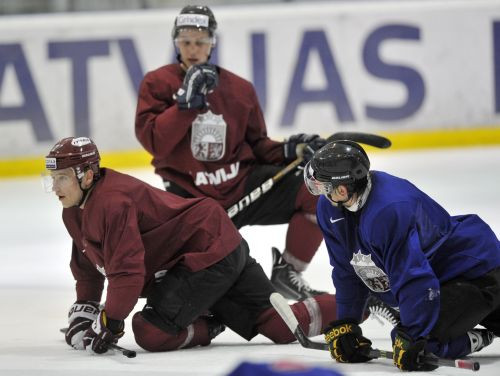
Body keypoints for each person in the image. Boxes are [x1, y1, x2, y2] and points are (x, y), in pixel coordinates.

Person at [44, 136, 338, 355]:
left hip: (207, 255)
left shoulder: (112, 203)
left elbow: (128, 273)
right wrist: (86, 309)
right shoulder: (73, 210)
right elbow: (88, 265)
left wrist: (110, 321)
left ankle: (212, 321)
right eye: (53, 179)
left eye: (62, 178)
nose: (55, 187)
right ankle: (356, 301)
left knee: (149, 331)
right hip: (215, 243)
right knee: (279, 326)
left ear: (88, 174)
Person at [134, 4, 327, 300]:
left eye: (200, 41)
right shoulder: (158, 83)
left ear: (212, 42)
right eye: (185, 41)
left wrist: (291, 148)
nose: (193, 48)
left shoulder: (240, 89)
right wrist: (186, 105)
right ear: (176, 42)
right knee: (222, 278)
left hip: (242, 186)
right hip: (191, 199)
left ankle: (289, 273)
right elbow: (155, 143)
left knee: (315, 191)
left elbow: (258, 146)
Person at [304, 140, 500, 371]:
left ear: (342, 189)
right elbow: (347, 268)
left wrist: (414, 332)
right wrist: (347, 322)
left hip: (477, 274)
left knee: (420, 344)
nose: (319, 191)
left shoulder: (389, 209)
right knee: (412, 338)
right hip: (438, 281)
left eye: (323, 185)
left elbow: (413, 275)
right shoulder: (329, 208)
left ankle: (477, 337)